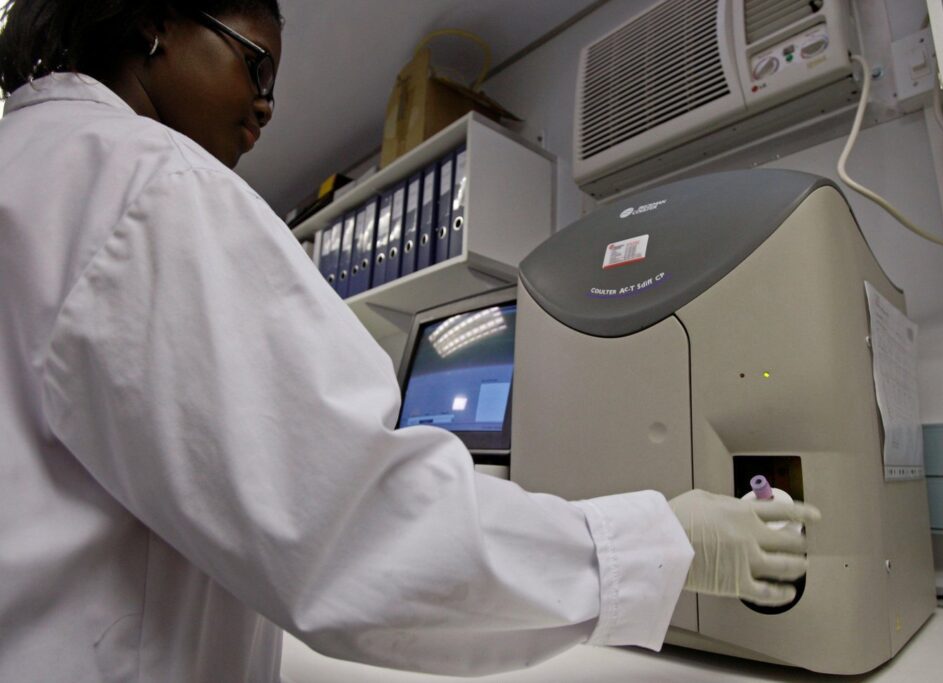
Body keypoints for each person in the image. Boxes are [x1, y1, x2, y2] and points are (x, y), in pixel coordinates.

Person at [0, 1, 821, 681]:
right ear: (155, 23)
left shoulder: (34, 166)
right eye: (257, 66)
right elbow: (352, 526)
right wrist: (663, 542)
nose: (266, 107)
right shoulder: (150, 182)